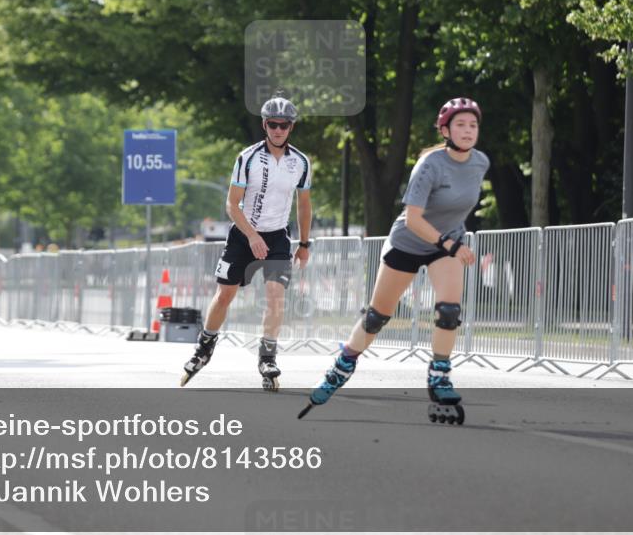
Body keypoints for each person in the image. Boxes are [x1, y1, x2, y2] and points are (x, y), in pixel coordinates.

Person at [299, 97, 488, 423]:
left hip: (447, 245)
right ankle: (342, 364)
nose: (468, 130)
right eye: (460, 124)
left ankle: (439, 375)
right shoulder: (429, 165)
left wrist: (451, 244)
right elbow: (413, 219)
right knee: (377, 317)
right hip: (408, 242)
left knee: (449, 311)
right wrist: (450, 243)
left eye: (473, 125)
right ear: (445, 129)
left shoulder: (480, 162)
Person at [181, 92, 313, 391]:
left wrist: (304, 244)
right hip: (243, 234)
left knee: (276, 296)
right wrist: (252, 236)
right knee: (226, 294)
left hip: (278, 235)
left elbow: (304, 205)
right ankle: (204, 347)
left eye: (284, 125)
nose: (278, 130)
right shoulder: (248, 157)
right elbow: (232, 204)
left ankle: (267, 356)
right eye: (272, 124)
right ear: (264, 125)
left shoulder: (301, 162)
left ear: (291, 128)